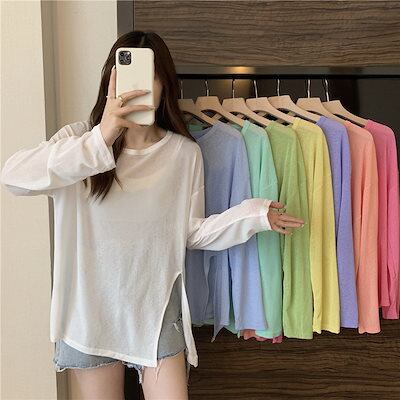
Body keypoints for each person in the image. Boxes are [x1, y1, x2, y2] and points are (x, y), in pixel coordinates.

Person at [0, 31, 304, 400]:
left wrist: (252, 216)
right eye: (129, 77)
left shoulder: (183, 154)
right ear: (110, 82)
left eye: (151, 77)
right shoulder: (80, 141)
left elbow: (190, 233)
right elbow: (13, 176)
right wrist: (102, 136)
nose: (139, 88)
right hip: (89, 314)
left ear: (164, 86)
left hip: (155, 309)